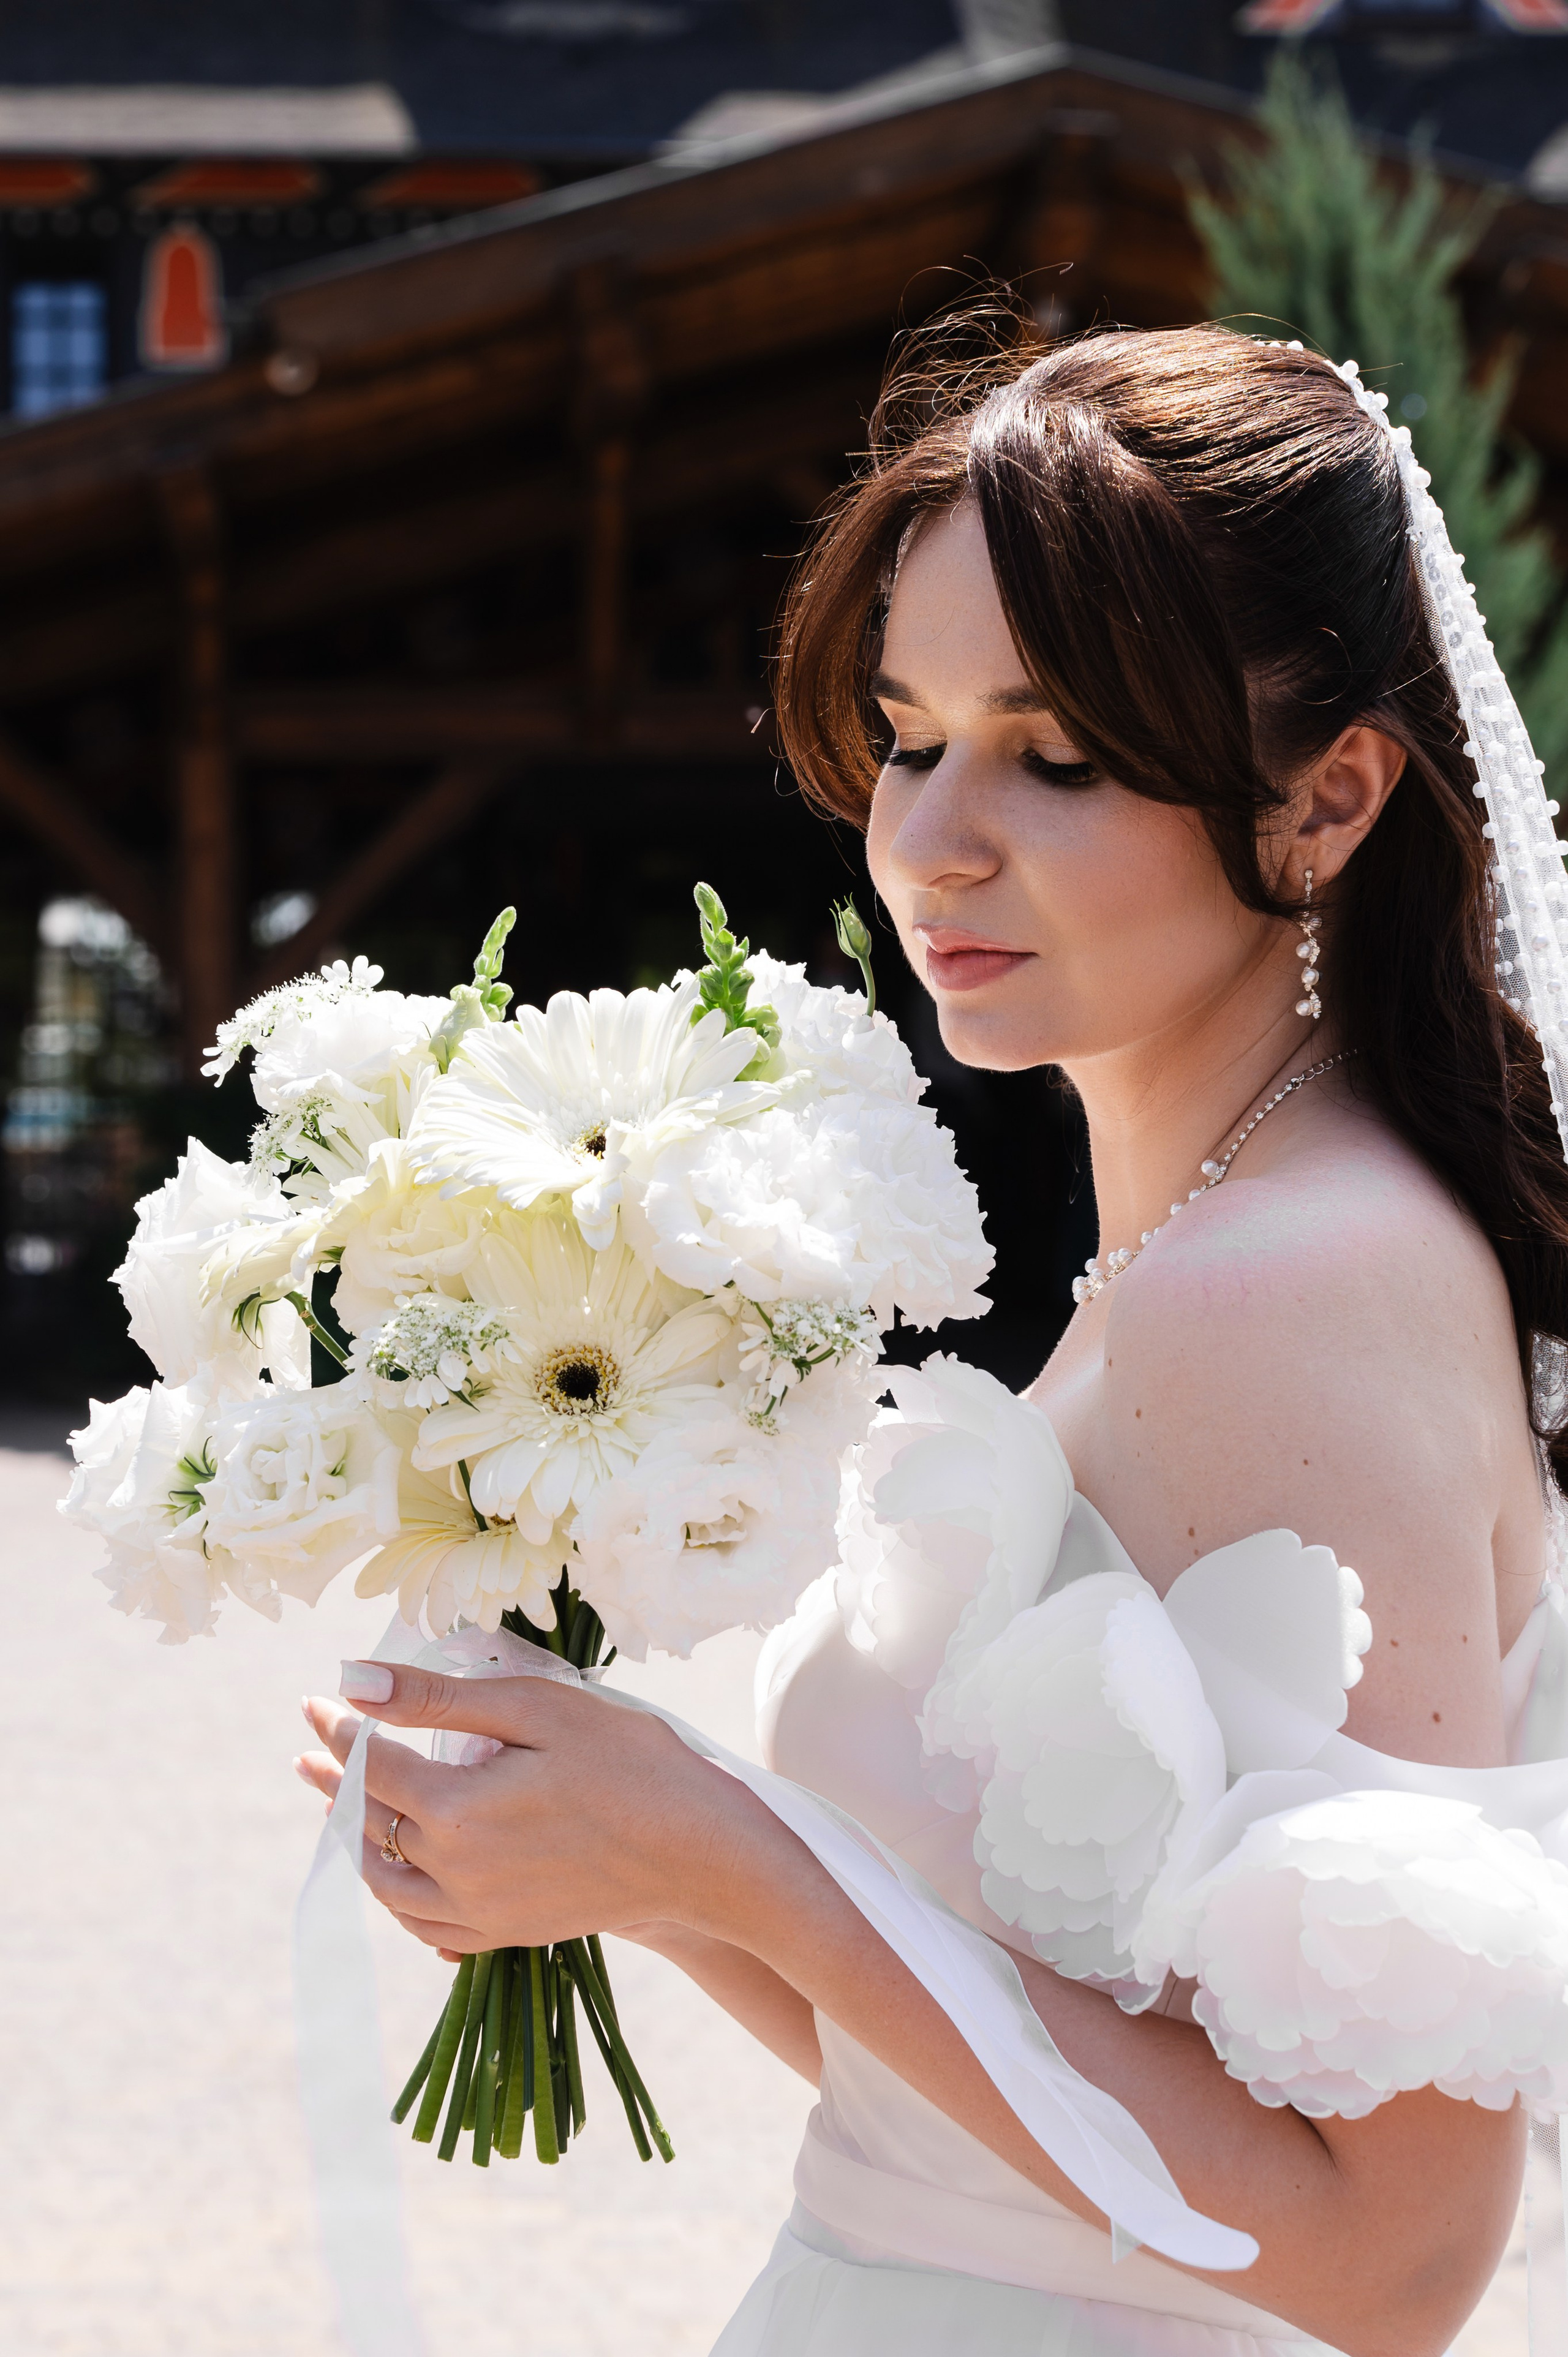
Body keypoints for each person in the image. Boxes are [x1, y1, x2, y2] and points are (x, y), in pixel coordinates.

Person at [300, 324, 1568, 2356]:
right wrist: (626, 1843)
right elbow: (1006, 2123)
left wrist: (738, 1845)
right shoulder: (1207, 1245)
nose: (931, 841)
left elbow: (1393, 2261)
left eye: (1054, 755)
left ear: (1329, 802)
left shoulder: (1300, 1290)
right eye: (909, 735)